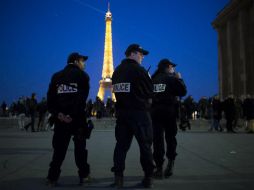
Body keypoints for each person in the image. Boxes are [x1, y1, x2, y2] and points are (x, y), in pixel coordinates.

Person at [111, 44, 154, 188]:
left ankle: (118, 178)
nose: (142, 57)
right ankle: (148, 177)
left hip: (122, 114)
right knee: (145, 146)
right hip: (140, 114)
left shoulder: (116, 72)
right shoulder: (139, 70)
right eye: (141, 54)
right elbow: (150, 91)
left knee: (121, 147)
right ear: (133, 53)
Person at [46, 52, 92, 186]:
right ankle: (84, 175)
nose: (84, 64)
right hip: (77, 119)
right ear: (77, 61)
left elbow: (50, 100)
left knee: (59, 150)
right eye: (83, 61)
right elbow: (81, 100)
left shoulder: (56, 76)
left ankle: (52, 178)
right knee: (80, 149)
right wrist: (71, 115)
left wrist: (59, 114)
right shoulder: (83, 76)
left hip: (60, 120)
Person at [151, 59, 187, 179]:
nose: (174, 69)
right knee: (170, 138)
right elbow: (183, 92)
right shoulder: (171, 79)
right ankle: (170, 163)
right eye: (172, 67)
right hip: (169, 112)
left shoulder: (153, 79)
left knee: (158, 140)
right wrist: (179, 79)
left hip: (155, 112)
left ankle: (159, 167)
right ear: (168, 67)